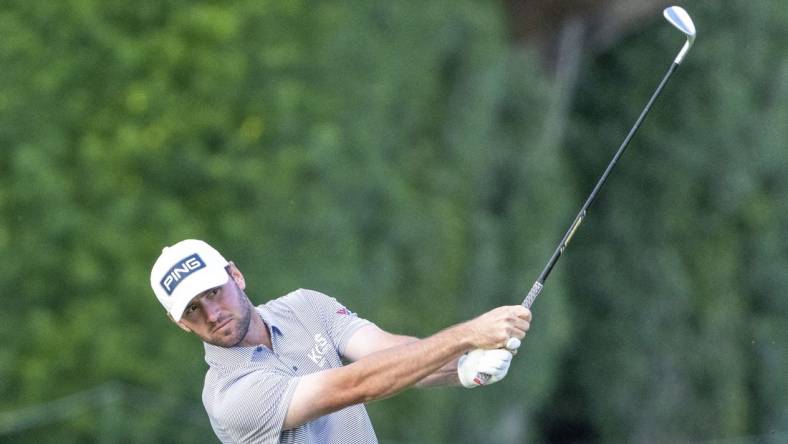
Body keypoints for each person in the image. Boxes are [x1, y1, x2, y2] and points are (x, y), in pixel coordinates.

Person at [150, 239, 531, 443]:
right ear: (180, 323)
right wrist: (466, 334)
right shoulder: (230, 398)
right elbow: (357, 384)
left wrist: (463, 366)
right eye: (193, 310)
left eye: (214, 293)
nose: (211, 314)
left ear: (236, 276)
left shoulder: (304, 306)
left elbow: (391, 353)